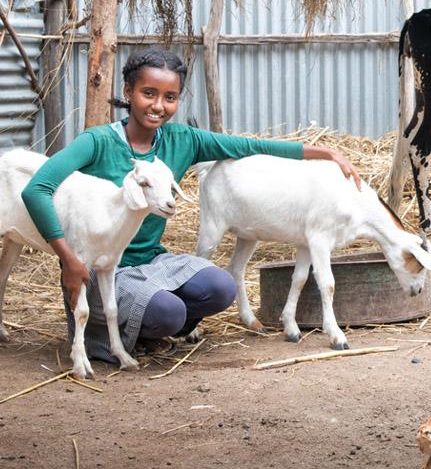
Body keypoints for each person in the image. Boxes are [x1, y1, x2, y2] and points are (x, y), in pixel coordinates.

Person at [21, 49, 361, 364]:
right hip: (102, 268)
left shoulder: (182, 140)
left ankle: (149, 325)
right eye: (148, 93)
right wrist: (67, 258)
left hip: (153, 260)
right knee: (170, 313)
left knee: (221, 288)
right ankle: (133, 331)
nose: (158, 106)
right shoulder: (97, 142)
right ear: (128, 92)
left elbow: (249, 145)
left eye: (169, 98)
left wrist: (326, 153)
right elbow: (37, 189)